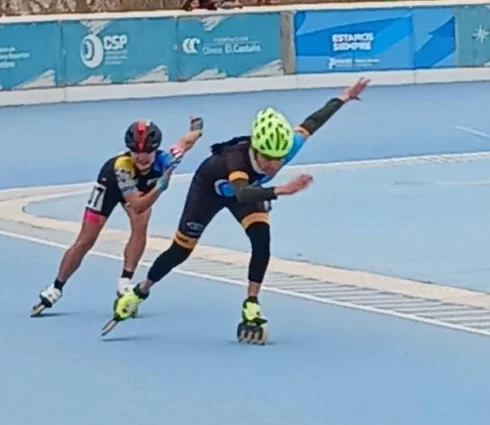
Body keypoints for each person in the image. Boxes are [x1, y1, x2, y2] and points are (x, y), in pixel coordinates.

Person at [102, 78, 370, 343]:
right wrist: (281, 190)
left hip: (247, 191)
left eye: (279, 159)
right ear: (256, 148)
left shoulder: (286, 146)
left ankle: (252, 303)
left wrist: (344, 97)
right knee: (180, 251)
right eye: (267, 159)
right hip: (209, 191)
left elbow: (314, 122)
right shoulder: (236, 158)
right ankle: (139, 291)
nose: (273, 165)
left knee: (262, 241)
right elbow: (242, 191)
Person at [30, 116, 204, 317]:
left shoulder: (168, 159)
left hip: (140, 189)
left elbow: (186, 142)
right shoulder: (122, 166)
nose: (142, 157)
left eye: (147, 152)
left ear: (156, 149)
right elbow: (138, 205)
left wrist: (197, 128)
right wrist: (160, 186)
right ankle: (56, 287)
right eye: (136, 152)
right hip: (112, 184)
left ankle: (124, 283)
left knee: (141, 225)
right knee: (85, 241)